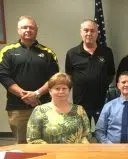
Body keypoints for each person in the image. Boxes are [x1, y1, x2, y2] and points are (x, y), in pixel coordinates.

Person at [0, 16, 59, 144]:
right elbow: (3, 76)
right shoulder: (7, 52)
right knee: (22, 144)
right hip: (17, 107)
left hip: (44, 105)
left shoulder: (48, 53)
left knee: (46, 142)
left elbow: (54, 79)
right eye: (24, 27)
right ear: (18, 30)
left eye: (31, 27)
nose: (28, 30)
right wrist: (25, 95)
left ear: (36, 30)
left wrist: (37, 94)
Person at [65, 19, 115, 124]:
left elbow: (111, 74)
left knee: (103, 133)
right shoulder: (72, 53)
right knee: (81, 135)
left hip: (102, 102)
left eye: (92, 31)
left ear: (97, 33)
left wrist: (99, 84)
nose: (89, 33)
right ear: (81, 32)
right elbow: (69, 75)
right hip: (80, 103)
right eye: (86, 30)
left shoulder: (107, 52)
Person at [27, 73, 90, 144]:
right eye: (57, 88)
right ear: (50, 91)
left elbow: (86, 135)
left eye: (64, 88)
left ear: (69, 90)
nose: (61, 91)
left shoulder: (79, 109)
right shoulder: (39, 110)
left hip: (75, 153)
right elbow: (33, 139)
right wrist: (55, 151)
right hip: (49, 153)